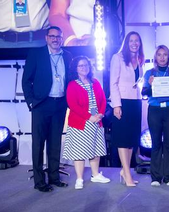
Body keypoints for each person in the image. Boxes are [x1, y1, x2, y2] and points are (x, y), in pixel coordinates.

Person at [22, 26, 72, 192]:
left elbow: (70, 83)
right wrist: (31, 102)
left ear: (62, 38)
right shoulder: (36, 54)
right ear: (46, 38)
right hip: (41, 105)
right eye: (52, 36)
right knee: (38, 144)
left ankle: (54, 177)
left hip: (59, 105)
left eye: (58, 36)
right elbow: (26, 80)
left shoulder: (68, 56)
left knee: (55, 143)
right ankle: (39, 181)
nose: (55, 39)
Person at [63, 56, 110, 189]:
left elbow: (103, 100)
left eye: (86, 65)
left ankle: (95, 175)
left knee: (96, 149)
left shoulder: (95, 82)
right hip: (81, 122)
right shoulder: (73, 84)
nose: (84, 68)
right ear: (76, 69)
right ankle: (79, 179)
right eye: (81, 66)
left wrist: (100, 114)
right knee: (80, 152)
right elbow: (73, 105)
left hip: (97, 121)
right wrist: (89, 117)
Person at [142, 45, 169, 187]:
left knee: (168, 144)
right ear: (155, 57)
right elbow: (144, 93)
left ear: (168, 57)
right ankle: (156, 177)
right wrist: (151, 85)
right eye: (159, 54)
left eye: (165, 54)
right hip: (155, 110)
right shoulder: (149, 73)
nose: (162, 57)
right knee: (156, 143)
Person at [110, 31, 144, 187]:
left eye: (137, 40)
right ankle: (127, 172)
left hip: (136, 102)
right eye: (131, 40)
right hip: (122, 102)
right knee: (123, 139)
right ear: (126, 42)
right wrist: (116, 104)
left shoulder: (139, 60)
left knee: (131, 139)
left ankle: (125, 171)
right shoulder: (118, 58)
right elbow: (113, 83)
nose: (134, 43)